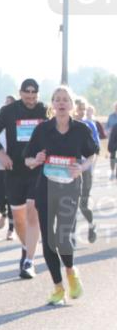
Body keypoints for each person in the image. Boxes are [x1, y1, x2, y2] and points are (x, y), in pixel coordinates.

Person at [24, 86, 98, 305]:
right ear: (52, 105)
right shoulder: (43, 129)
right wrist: (35, 159)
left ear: (72, 105)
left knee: (63, 237)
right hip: (46, 188)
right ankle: (57, 288)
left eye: (66, 100)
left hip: (70, 188)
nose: (62, 103)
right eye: (57, 100)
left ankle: (71, 272)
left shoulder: (81, 129)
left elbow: (92, 154)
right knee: (48, 240)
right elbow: (27, 159)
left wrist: (82, 168)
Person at [0, 79, 48, 279]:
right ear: (20, 92)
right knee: (20, 220)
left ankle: (29, 261)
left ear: (38, 94)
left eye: (34, 93)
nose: (30, 96)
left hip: (37, 170)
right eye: (27, 92)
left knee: (32, 214)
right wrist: (2, 154)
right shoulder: (8, 111)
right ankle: (26, 248)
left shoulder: (44, 111)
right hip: (14, 171)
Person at [72, 98, 100, 242]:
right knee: (71, 203)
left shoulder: (89, 125)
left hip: (85, 169)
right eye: (79, 108)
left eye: (84, 108)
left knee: (82, 205)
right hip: (70, 169)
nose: (82, 111)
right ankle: (72, 236)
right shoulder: (66, 124)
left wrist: (88, 166)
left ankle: (91, 225)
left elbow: (96, 150)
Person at [108, 101, 117, 180]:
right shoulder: (111, 116)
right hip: (113, 136)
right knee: (112, 155)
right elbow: (107, 126)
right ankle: (112, 172)